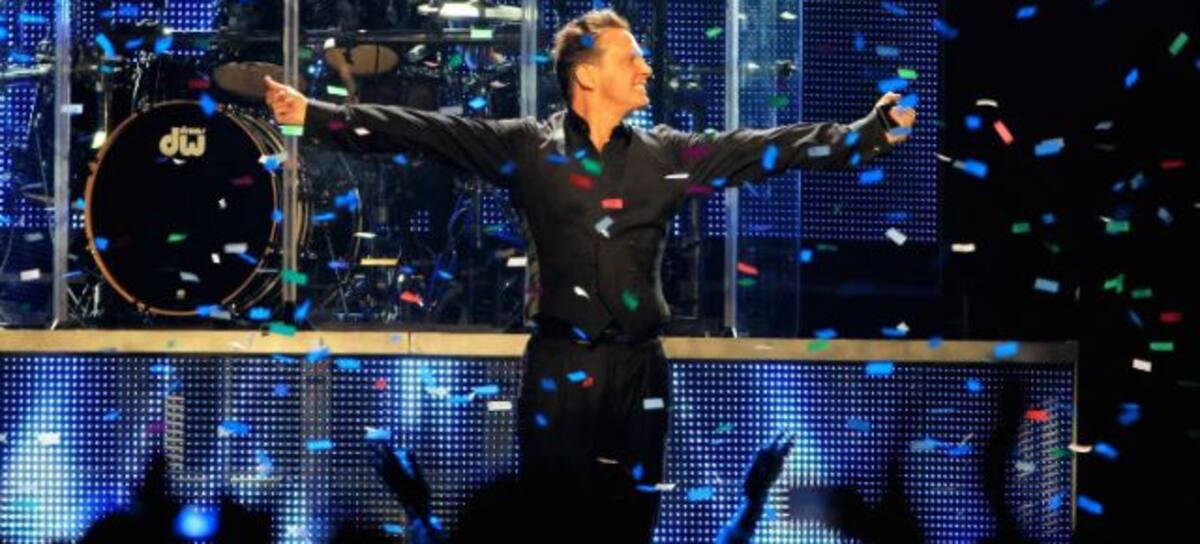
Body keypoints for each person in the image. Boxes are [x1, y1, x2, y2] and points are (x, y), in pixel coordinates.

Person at [264, 8, 915, 541]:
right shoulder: (528, 147)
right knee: (554, 526)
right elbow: (423, 132)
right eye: (631, 58)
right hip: (560, 370)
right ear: (586, 73)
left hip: (639, 371)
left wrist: (865, 134)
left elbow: (762, 150)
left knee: (630, 524)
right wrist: (313, 116)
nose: (645, 67)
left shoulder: (665, 153)